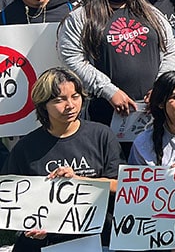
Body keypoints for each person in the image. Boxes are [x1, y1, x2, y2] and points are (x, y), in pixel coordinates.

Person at [1, 67, 123, 251]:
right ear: (43, 105)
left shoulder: (102, 135)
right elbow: (11, 199)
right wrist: (32, 226)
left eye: (75, 96)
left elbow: (121, 186)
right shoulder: (25, 148)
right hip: (48, 242)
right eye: (59, 100)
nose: (70, 105)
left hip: (100, 237)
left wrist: (79, 182)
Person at [58, 0, 175, 126]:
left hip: (153, 108)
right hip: (105, 110)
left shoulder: (149, 12)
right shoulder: (81, 17)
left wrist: (161, 86)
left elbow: (170, 50)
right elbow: (72, 57)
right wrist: (109, 91)